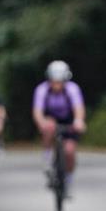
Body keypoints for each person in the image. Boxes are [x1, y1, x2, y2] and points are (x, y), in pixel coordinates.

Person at [32, 60, 86, 195]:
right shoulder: (42, 89)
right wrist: (41, 123)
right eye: (54, 81)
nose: (56, 84)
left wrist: (78, 121)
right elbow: (38, 111)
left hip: (69, 121)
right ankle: (48, 160)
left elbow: (78, 108)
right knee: (49, 126)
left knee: (69, 152)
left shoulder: (72, 89)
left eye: (59, 81)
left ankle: (68, 180)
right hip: (50, 119)